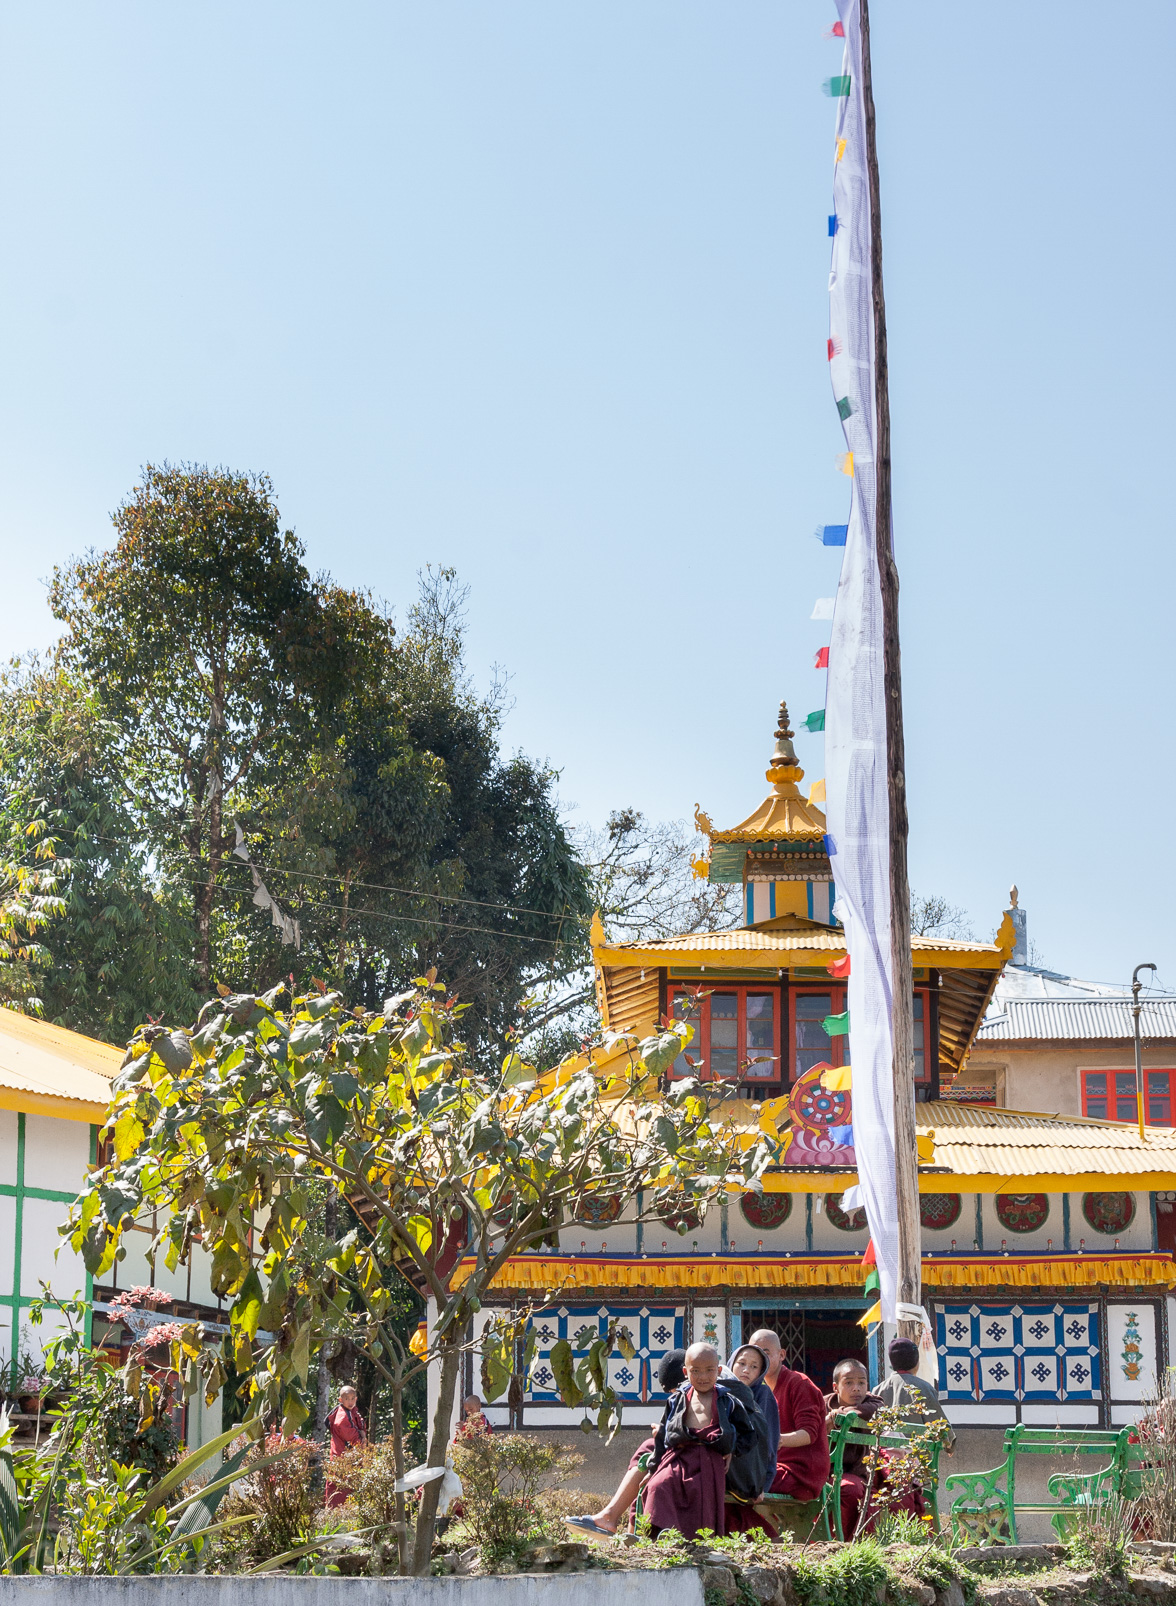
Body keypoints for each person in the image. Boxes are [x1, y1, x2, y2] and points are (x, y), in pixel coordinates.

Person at [642, 1342, 757, 1540]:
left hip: (709, 1460)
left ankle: (694, 1543)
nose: (703, 1377)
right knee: (657, 1486)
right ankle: (659, 1535)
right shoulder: (676, 1400)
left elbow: (749, 1433)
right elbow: (663, 1436)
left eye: (709, 1370)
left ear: (719, 1370)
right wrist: (653, 1467)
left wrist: (731, 1449)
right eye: (696, 1371)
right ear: (686, 1371)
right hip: (678, 1456)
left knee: (699, 1493)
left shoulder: (728, 1400)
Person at [566, 1349, 687, 1537]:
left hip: (698, 1454)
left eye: (673, 1391)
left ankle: (612, 1518)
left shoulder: (706, 1390)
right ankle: (621, 1526)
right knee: (646, 1455)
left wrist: (664, 1434)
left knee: (649, 1453)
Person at [824, 1358, 882, 1539]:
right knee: (847, 1489)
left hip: (857, 1472)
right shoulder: (821, 1404)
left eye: (861, 1383)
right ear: (836, 1387)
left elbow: (876, 1409)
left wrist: (838, 1415)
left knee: (855, 1490)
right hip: (826, 1472)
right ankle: (832, 1540)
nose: (856, 1388)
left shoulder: (873, 1403)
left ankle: (853, 1542)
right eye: (849, 1383)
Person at [723, 1344, 780, 1508]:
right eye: (741, 1363)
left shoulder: (763, 1395)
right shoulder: (721, 1390)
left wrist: (762, 1482)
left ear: (761, 1372)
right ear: (731, 1363)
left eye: (754, 1367)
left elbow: (768, 1443)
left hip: (750, 1470)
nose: (746, 1370)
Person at [876, 1338, 956, 1451]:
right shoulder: (925, 1388)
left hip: (884, 1460)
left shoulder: (878, 1390)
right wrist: (949, 1444)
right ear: (916, 1361)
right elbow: (941, 1427)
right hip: (917, 1460)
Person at [324, 1384, 367, 1508]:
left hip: (346, 1457)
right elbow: (346, 1431)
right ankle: (335, 1515)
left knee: (345, 1488)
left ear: (356, 1399)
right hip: (342, 1456)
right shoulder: (343, 1415)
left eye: (353, 1398)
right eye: (347, 1398)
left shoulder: (352, 1411)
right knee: (340, 1488)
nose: (350, 1401)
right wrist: (361, 1439)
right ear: (340, 1400)